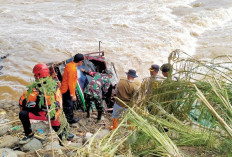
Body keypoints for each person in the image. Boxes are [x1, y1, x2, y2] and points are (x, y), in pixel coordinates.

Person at [19, 63, 74, 144]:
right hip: (56, 113)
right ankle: (64, 137)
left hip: (47, 114)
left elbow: (22, 102)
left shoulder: (36, 90)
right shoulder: (55, 84)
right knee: (57, 125)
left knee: (22, 114)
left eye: (34, 75)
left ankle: (29, 133)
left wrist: (24, 106)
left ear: (37, 76)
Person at [60, 53, 84, 124]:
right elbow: (71, 83)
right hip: (67, 89)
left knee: (66, 104)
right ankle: (69, 120)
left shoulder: (69, 65)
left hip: (64, 87)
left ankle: (65, 117)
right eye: (82, 61)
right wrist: (73, 94)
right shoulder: (73, 69)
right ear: (79, 62)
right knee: (70, 105)